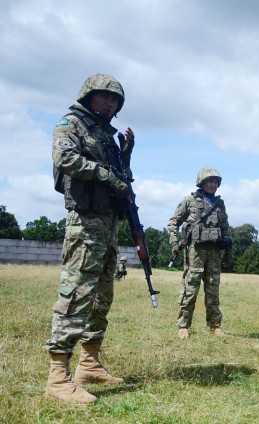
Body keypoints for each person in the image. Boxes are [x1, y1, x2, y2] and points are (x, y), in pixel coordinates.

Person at [45, 73, 133, 404]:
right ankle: (57, 377)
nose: (110, 103)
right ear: (88, 96)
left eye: (115, 100)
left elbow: (119, 177)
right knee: (77, 292)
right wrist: (108, 175)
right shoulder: (70, 123)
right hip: (85, 222)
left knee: (102, 295)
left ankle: (90, 363)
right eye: (104, 97)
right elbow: (65, 159)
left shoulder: (106, 136)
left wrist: (125, 154)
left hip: (108, 223)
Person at [167, 168, 232, 340]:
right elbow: (173, 222)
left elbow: (225, 226)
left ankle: (215, 326)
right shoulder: (189, 201)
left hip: (214, 252)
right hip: (195, 251)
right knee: (190, 288)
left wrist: (226, 240)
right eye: (210, 181)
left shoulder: (220, 204)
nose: (213, 184)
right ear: (202, 182)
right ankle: (183, 326)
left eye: (216, 181)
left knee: (213, 289)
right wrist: (174, 242)